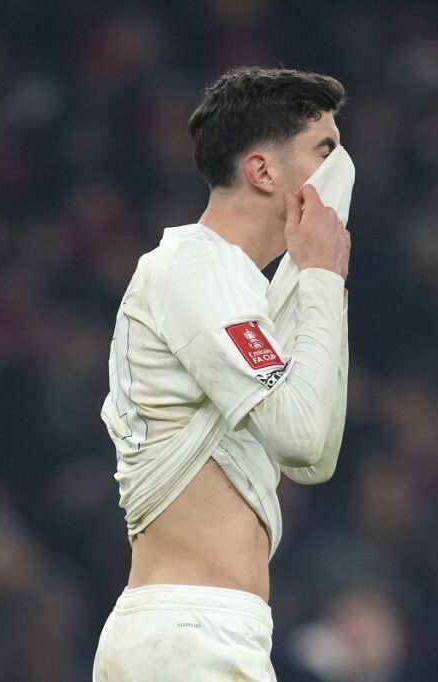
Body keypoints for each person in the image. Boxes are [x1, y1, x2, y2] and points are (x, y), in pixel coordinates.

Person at [93, 66, 351, 681]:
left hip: (201, 633)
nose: (343, 175)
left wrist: (315, 277)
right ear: (263, 171)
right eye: (326, 151)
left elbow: (314, 460)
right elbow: (302, 436)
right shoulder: (193, 268)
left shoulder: (241, 291)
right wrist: (318, 276)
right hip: (190, 634)